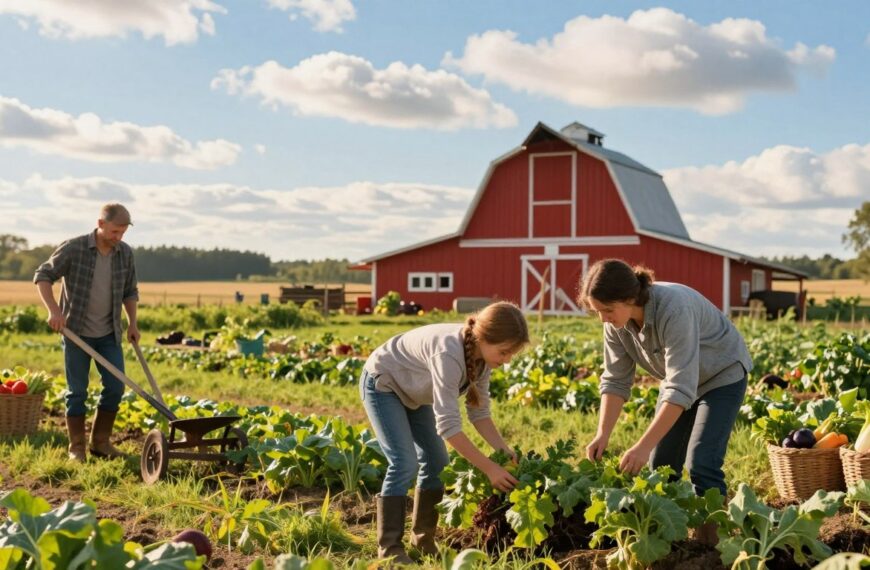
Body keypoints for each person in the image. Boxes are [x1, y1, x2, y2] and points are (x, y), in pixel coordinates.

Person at [578, 259, 752, 545]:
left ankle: (713, 547)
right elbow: (616, 380)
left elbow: (681, 387)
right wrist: (603, 434)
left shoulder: (674, 308)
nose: (603, 319)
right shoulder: (615, 324)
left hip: (721, 375)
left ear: (629, 298)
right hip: (679, 383)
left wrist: (641, 446)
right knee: (661, 465)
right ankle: (667, 543)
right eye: (597, 311)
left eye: (607, 310)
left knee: (702, 462)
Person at [361, 301, 529, 563]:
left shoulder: (483, 359)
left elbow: (479, 413)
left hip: (415, 392)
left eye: (511, 354)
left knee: (437, 462)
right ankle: (390, 550)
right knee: (404, 463)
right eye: (504, 352)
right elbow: (448, 427)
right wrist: (490, 468)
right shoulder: (448, 354)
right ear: (483, 337)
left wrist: (502, 449)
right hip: (384, 384)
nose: (507, 360)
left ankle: (422, 540)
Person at [34, 203, 140, 462]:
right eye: (114, 231)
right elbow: (43, 275)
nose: (118, 237)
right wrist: (54, 311)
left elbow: (130, 291)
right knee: (77, 392)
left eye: (123, 233)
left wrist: (132, 323)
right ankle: (77, 447)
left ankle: (100, 443)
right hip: (76, 333)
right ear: (101, 224)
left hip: (109, 334)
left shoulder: (124, 253)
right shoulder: (74, 248)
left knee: (115, 387)